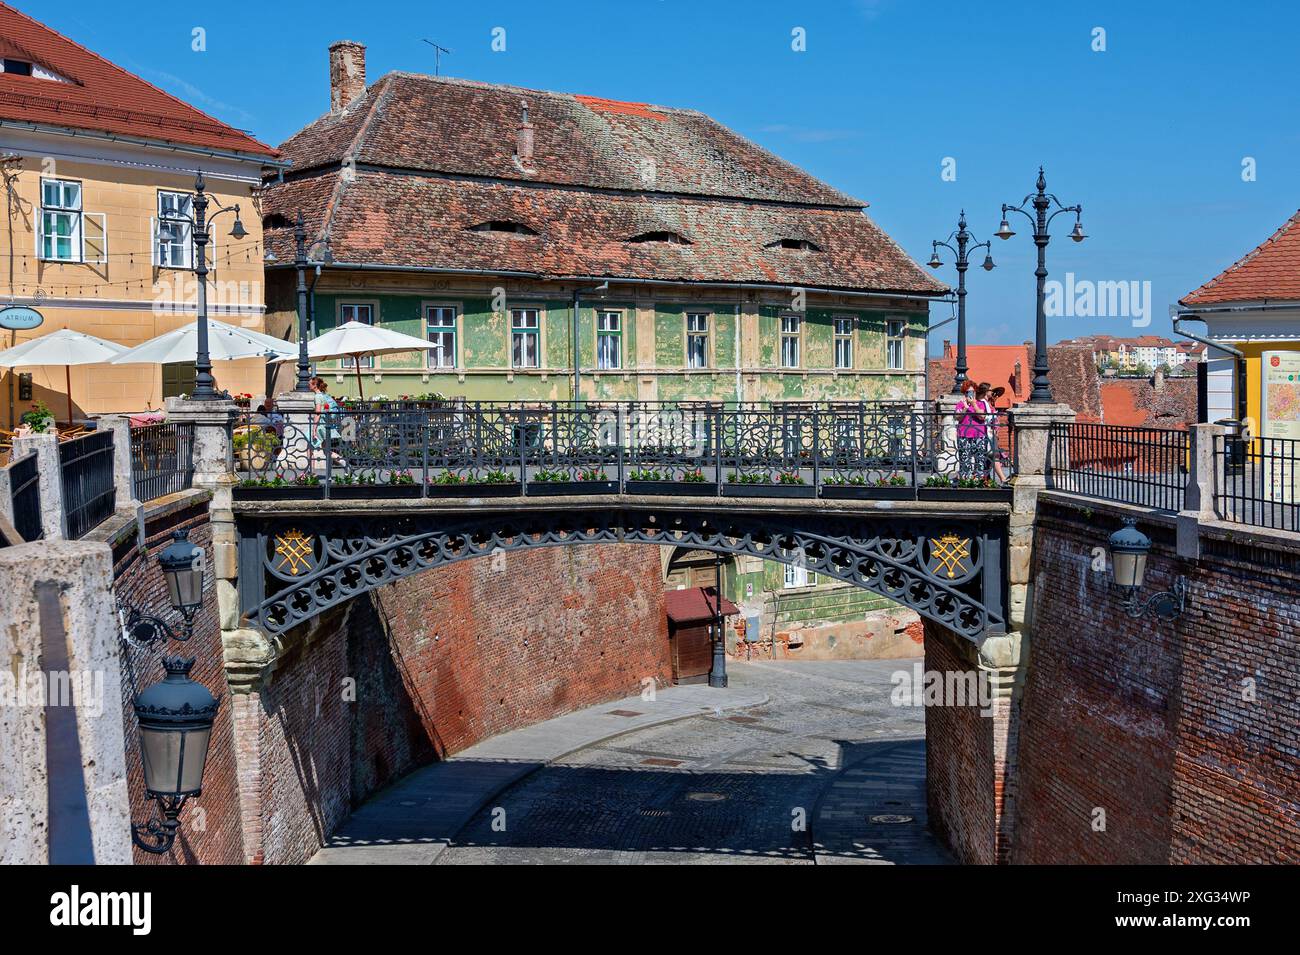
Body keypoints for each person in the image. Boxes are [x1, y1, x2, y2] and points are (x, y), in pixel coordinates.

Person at [956, 382, 1005, 482]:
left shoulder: (981, 403)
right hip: (963, 435)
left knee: (980, 460)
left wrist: (973, 404)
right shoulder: (960, 404)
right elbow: (958, 418)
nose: (970, 394)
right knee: (965, 461)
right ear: (964, 393)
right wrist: (965, 408)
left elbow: (982, 416)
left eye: (972, 392)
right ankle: (965, 482)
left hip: (979, 435)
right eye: (967, 392)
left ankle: (979, 482)